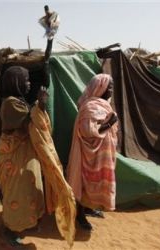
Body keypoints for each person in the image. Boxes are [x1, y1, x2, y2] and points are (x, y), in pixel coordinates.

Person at [0, 66, 76, 247]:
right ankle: (10, 228)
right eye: (26, 80)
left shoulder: (19, 101)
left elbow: (35, 122)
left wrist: (39, 106)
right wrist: (40, 105)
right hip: (14, 157)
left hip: (25, 154)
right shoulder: (10, 103)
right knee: (17, 191)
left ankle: (26, 222)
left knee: (29, 190)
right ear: (16, 82)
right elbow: (30, 122)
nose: (29, 83)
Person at [67, 74, 118, 231]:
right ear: (100, 88)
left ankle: (89, 208)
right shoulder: (90, 107)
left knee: (97, 182)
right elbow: (87, 130)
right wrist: (109, 123)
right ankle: (79, 214)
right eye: (109, 87)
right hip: (89, 155)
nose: (112, 90)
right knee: (86, 182)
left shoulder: (104, 105)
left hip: (102, 154)